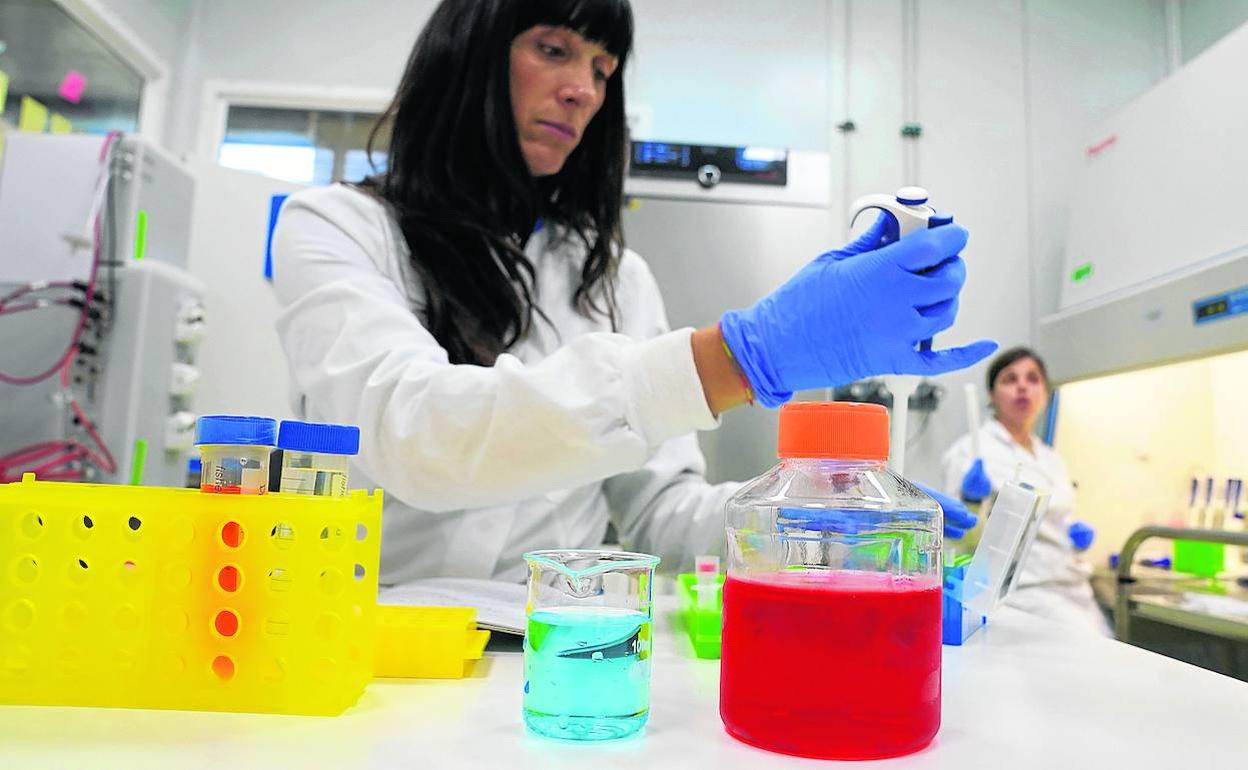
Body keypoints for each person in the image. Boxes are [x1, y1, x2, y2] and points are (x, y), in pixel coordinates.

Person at [271, 0, 994, 585]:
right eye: (553, 49)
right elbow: (411, 437)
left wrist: (810, 520)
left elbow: (660, 513)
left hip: (558, 654)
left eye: (602, 67)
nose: (583, 89)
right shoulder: (338, 228)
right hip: (372, 646)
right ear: (468, 58)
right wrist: (738, 358)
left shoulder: (615, 278)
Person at [942, 347, 1109, 635]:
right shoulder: (970, 451)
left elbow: (1055, 518)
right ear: (992, 395)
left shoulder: (1051, 458)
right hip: (1020, 595)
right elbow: (955, 540)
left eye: (1033, 379)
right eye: (1010, 379)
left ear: (1045, 394)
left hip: (1071, 588)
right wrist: (970, 502)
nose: (1022, 386)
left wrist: (1073, 535)